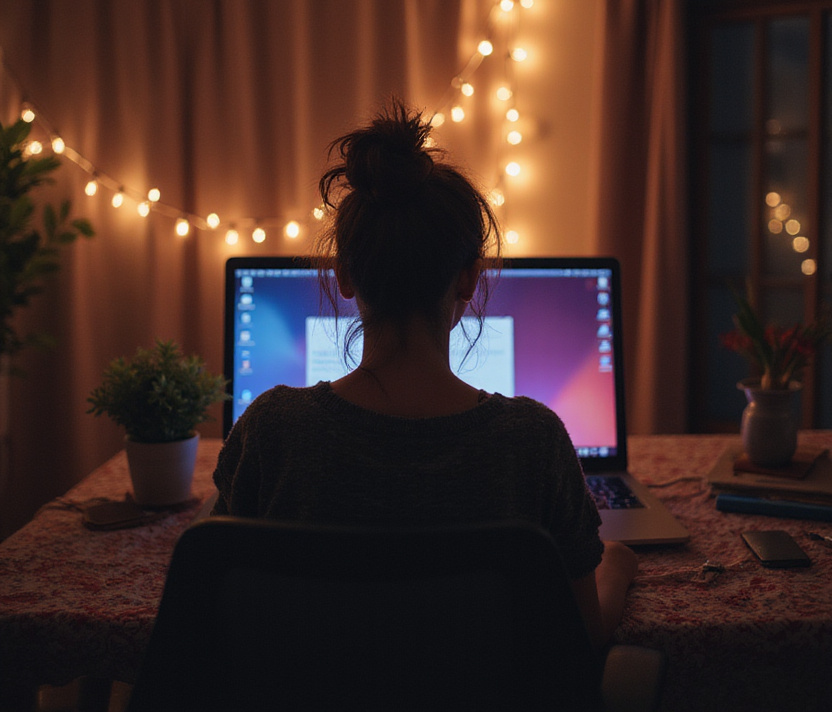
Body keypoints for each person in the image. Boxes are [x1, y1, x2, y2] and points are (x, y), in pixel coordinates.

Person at [212, 100, 637, 646]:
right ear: (468, 280)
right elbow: (581, 647)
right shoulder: (534, 442)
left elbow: (218, 616)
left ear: (343, 274)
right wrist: (619, 570)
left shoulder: (270, 430)